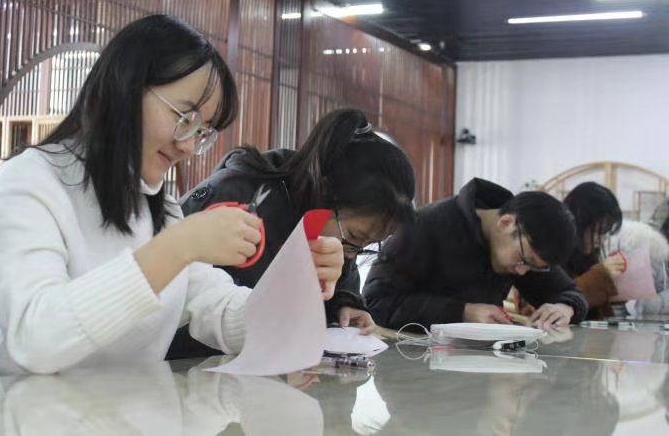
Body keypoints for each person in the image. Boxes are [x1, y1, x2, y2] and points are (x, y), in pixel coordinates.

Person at [0, 15, 344, 377]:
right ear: (124, 87)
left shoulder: (158, 208)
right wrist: (177, 248)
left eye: (202, 131)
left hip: (125, 414)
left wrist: (294, 286)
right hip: (16, 415)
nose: (188, 146)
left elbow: (224, 315)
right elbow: (36, 339)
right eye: (185, 117)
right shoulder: (26, 185)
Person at [167, 109, 416, 358]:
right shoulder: (235, 197)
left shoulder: (332, 225)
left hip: (264, 360)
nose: (350, 254)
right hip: (187, 364)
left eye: (367, 245)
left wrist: (345, 304)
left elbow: (339, 280)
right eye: (355, 237)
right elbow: (181, 290)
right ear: (324, 191)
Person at [364, 178, 588, 330]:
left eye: (532, 266)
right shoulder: (423, 227)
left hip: (481, 368)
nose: (523, 272)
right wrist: (462, 312)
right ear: (506, 222)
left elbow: (569, 292)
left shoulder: (526, 250)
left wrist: (564, 308)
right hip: (412, 367)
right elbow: (376, 302)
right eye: (525, 261)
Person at [561, 182, 624, 318]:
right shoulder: (549, 256)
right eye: (598, 232)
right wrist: (602, 275)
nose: (600, 241)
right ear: (579, 224)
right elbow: (554, 304)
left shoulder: (586, 257)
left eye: (605, 233)